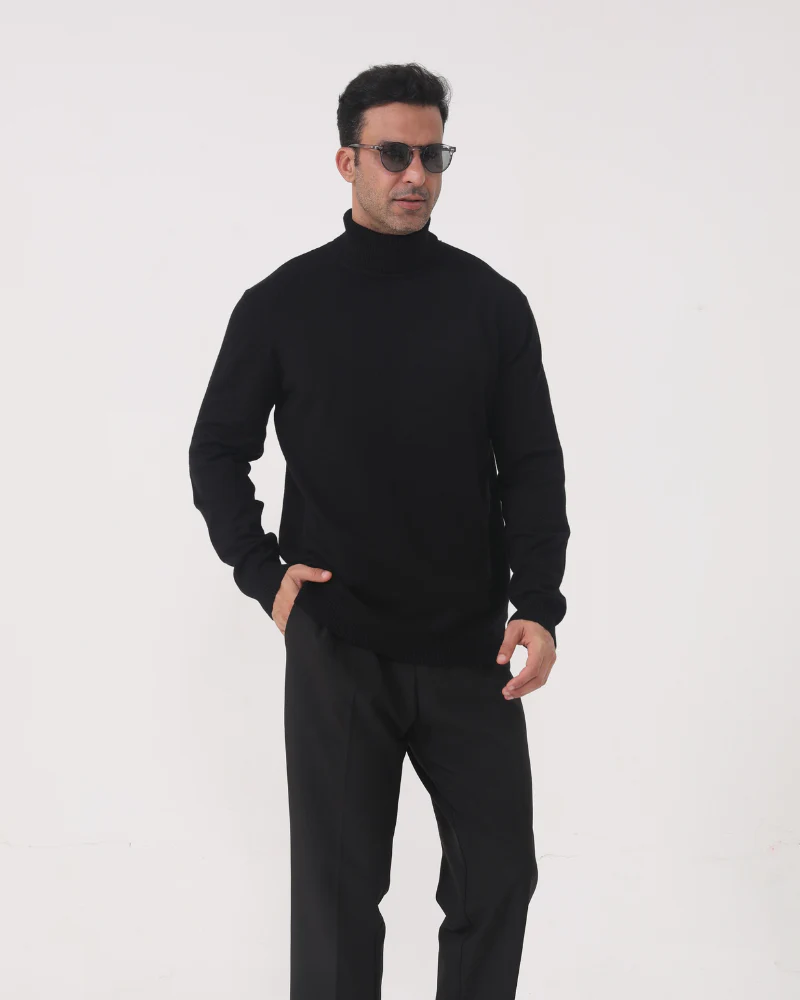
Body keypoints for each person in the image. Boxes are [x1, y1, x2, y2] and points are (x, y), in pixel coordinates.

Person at [188, 61, 570, 1000]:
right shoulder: (282, 304)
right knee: (337, 902)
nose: (415, 175)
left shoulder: (492, 305)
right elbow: (216, 450)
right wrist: (262, 573)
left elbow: (531, 464)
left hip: (471, 646)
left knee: (499, 879)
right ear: (347, 160)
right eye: (394, 154)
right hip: (339, 643)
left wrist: (537, 601)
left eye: (433, 156)